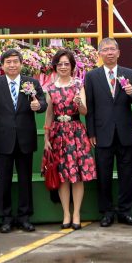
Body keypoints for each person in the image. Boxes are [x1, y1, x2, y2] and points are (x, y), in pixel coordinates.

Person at [84, 37, 132, 227]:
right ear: (99, 53)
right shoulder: (92, 76)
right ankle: (107, 212)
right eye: (105, 49)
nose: (109, 53)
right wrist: (91, 132)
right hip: (102, 134)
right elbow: (90, 107)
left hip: (125, 132)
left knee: (128, 175)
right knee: (104, 175)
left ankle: (125, 211)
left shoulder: (129, 73)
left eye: (112, 49)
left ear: (118, 52)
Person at [0, 47, 47, 233]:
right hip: (3, 140)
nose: (12, 65)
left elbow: (43, 103)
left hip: (25, 139)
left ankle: (24, 216)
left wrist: (38, 105)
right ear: (2, 65)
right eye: (8, 62)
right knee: (3, 181)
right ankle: (5, 218)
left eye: (15, 62)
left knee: (25, 180)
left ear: (22, 64)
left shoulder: (31, 82)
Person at [43, 48, 96, 230]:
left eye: (67, 64)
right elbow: (49, 115)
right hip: (57, 134)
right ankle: (66, 213)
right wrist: (46, 138)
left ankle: (76, 214)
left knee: (77, 175)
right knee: (62, 176)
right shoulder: (50, 88)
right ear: (55, 66)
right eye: (60, 64)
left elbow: (84, 111)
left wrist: (79, 103)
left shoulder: (78, 85)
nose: (63, 67)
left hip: (76, 133)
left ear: (72, 66)